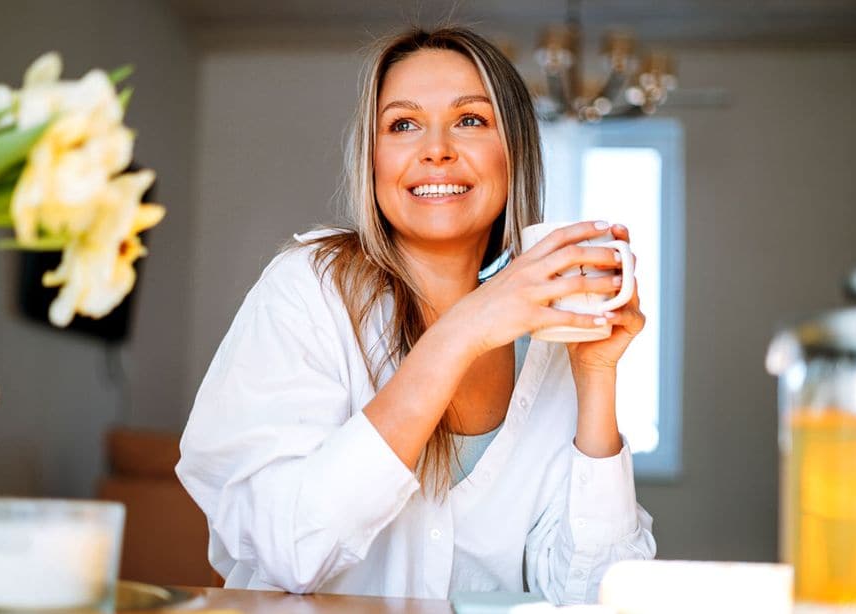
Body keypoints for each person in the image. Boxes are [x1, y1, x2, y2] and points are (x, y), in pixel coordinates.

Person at [176, 26, 656, 604]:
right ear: (373, 158)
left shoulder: (546, 335)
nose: (436, 149)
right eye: (403, 124)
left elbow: (595, 592)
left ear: (515, 152)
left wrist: (596, 376)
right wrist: (462, 332)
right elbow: (286, 551)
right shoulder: (309, 290)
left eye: (471, 120)